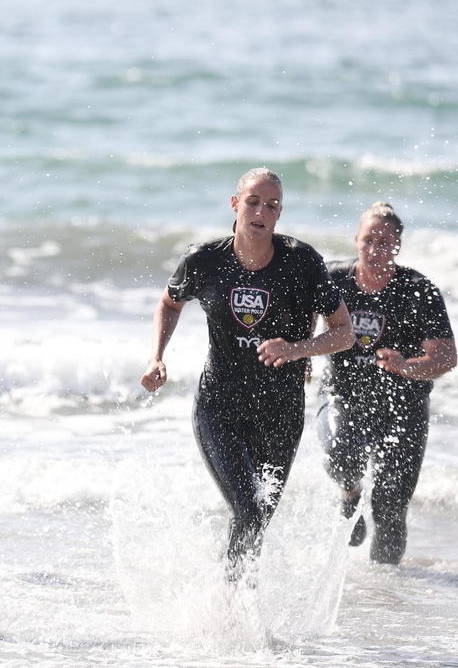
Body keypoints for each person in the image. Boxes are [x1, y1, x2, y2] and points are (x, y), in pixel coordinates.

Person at [139, 167, 354, 582]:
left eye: (271, 205)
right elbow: (169, 304)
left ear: (278, 215)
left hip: (281, 413)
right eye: (253, 201)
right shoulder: (204, 260)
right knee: (249, 510)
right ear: (235, 204)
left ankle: (239, 610)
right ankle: (230, 607)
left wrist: (297, 349)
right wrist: (156, 357)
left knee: (256, 522)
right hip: (219, 406)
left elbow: (344, 332)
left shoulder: (301, 262)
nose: (260, 211)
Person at [317, 202, 456, 565]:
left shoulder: (418, 290)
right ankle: (350, 495)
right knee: (340, 456)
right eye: (368, 241)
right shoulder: (334, 279)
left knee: (390, 511)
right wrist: (300, 351)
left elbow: (446, 357)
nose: (375, 250)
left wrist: (406, 366)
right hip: (341, 393)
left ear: (397, 246)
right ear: (356, 240)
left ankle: (387, 594)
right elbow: (299, 312)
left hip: (402, 408)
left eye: (384, 242)